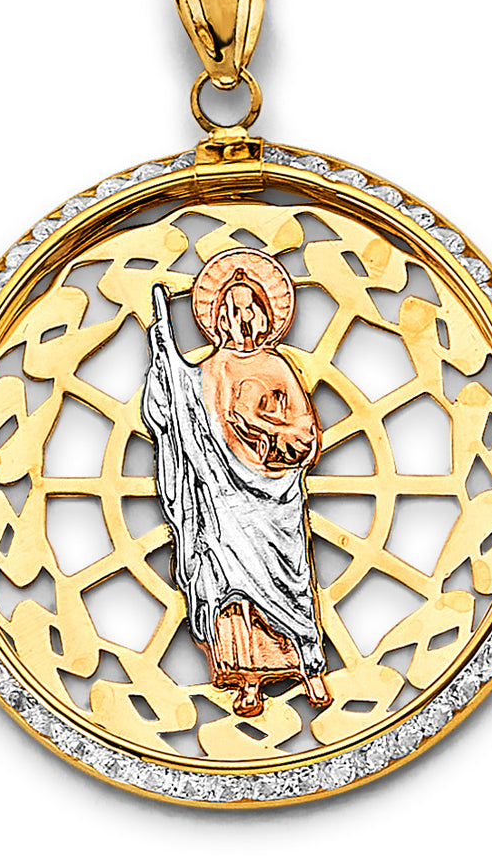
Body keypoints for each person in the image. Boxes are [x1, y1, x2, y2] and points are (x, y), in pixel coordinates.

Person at [141, 248, 331, 717]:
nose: (242, 319)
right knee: (230, 584)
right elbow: (179, 414)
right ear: (220, 317)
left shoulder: (278, 366)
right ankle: (246, 680)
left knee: (287, 581)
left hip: (274, 491)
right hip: (221, 493)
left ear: (264, 316)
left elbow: (305, 427)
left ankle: (308, 666)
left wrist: (269, 433)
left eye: (250, 309)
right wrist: (165, 364)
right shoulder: (209, 370)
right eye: (232, 309)